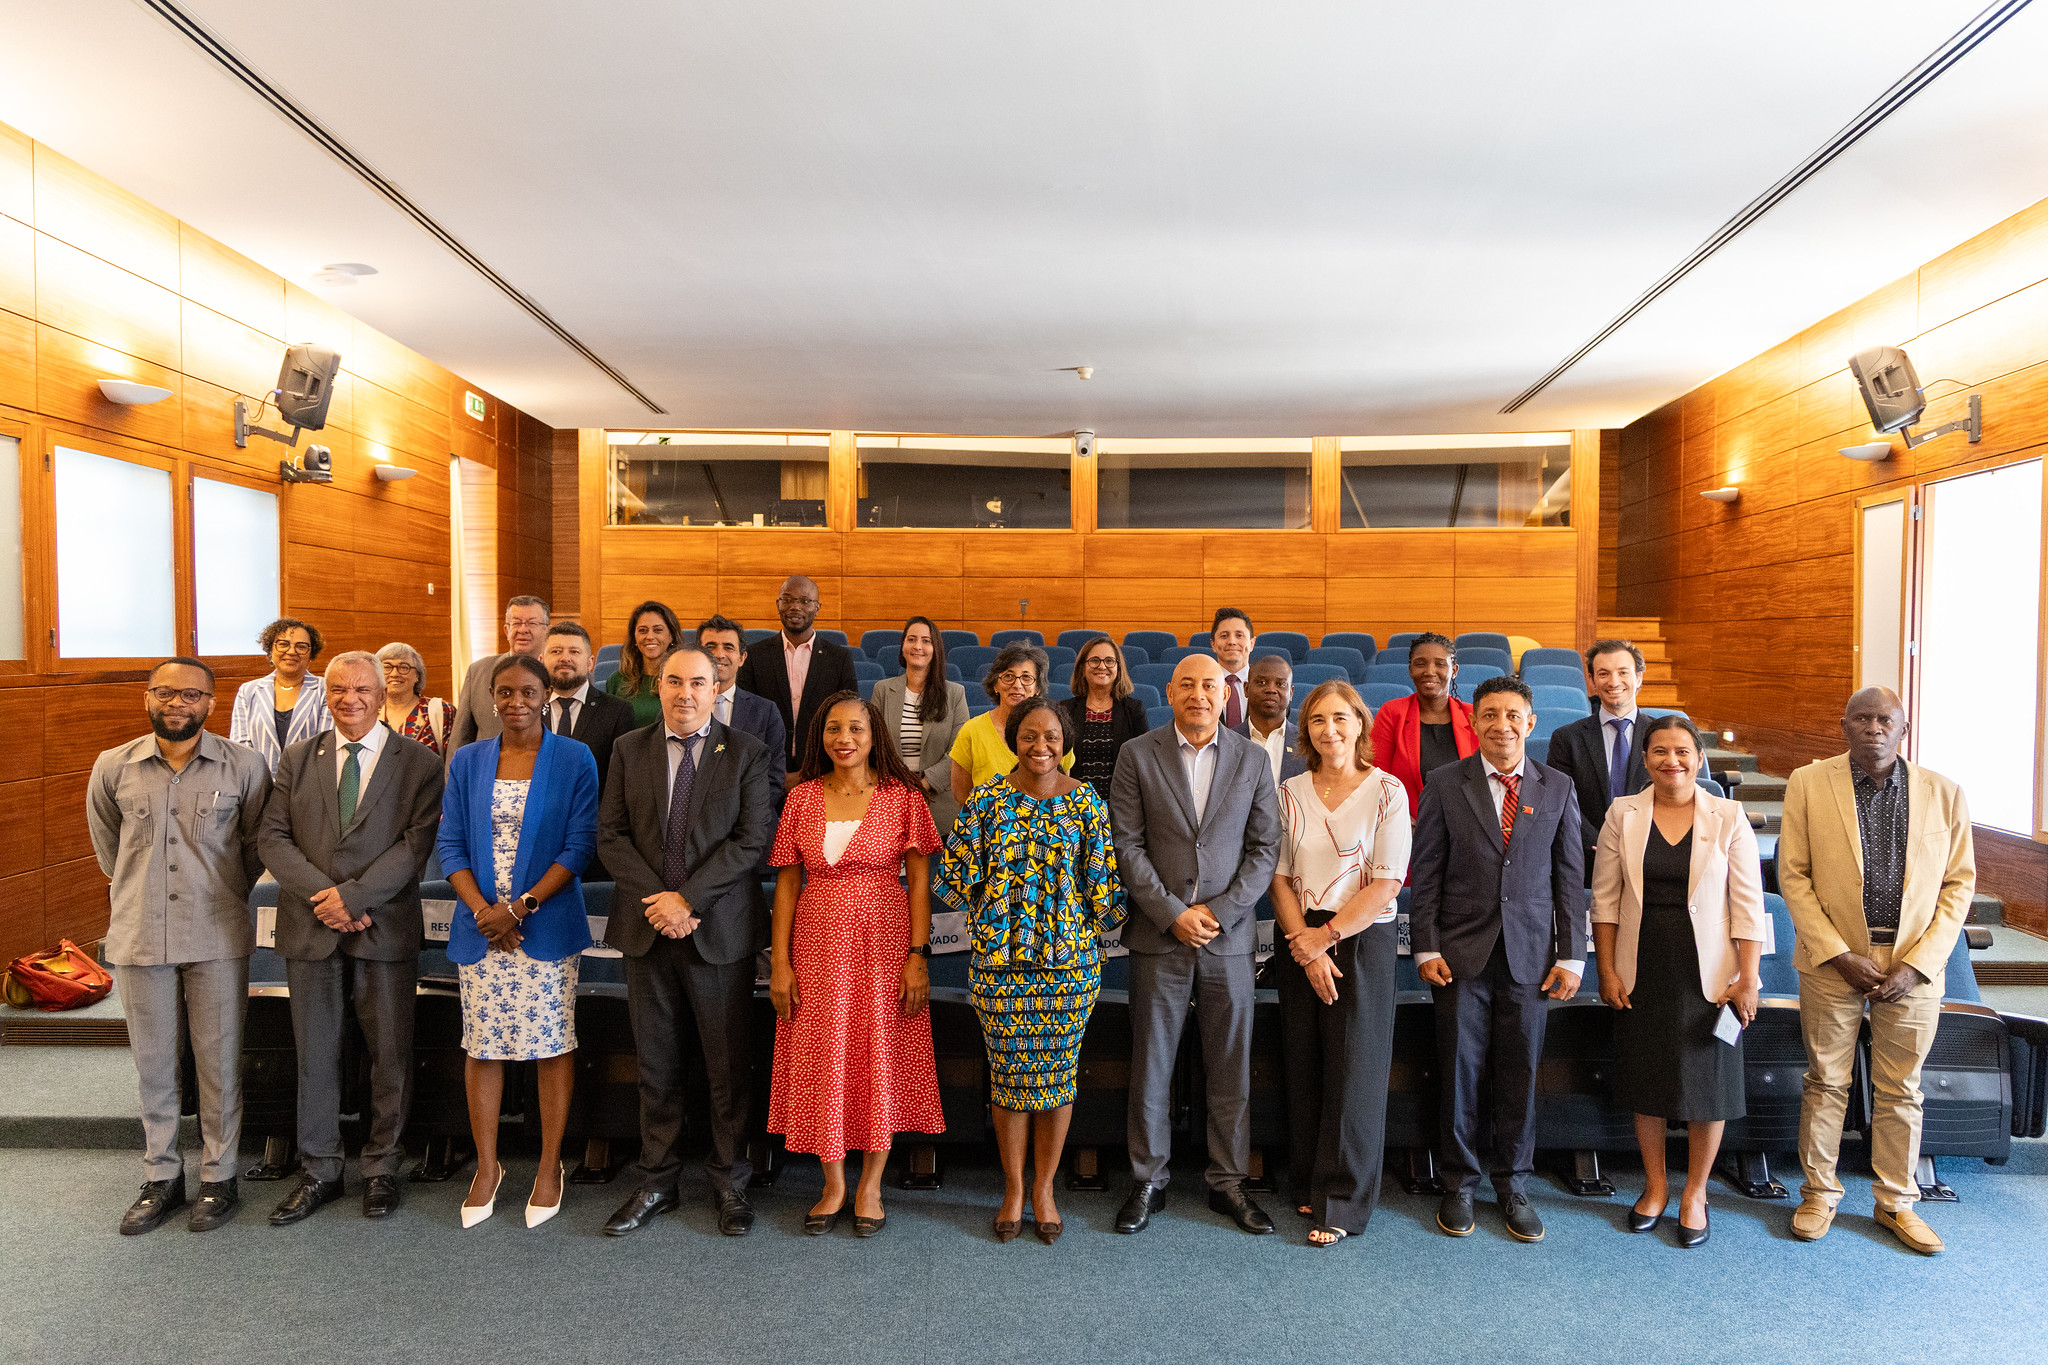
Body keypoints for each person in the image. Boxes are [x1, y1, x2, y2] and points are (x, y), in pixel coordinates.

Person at [1779, 686, 1975, 1256]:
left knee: (1902, 1088)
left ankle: (1896, 1201)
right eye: (1861, 719)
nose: (1873, 729)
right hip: (1833, 962)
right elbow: (1793, 876)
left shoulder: (1944, 793)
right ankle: (1819, 1192)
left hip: (1913, 965)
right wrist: (1837, 953)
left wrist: (1919, 965)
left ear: (1903, 727)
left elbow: (1958, 885)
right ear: (1843, 727)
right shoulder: (1809, 784)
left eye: (1884, 719)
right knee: (1826, 1081)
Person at [596, 645, 779, 1238]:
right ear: (660, 682)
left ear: (715, 684)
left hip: (717, 932)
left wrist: (688, 901)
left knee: (726, 1067)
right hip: (648, 930)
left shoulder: (746, 752)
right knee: (657, 1065)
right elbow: (611, 836)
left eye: (697, 682)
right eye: (674, 681)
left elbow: (752, 842)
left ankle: (730, 1182)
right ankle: (657, 1181)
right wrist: (662, 902)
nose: (685, 693)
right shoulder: (628, 749)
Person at [256, 652, 446, 1225]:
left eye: (362, 688)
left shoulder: (418, 762)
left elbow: (416, 846)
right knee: (315, 1054)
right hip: (311, 926)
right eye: (338, 689)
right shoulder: (297, 758)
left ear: (381, 691)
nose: (351, 699)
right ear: (326, 694)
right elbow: (272, 836)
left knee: (389, 1054)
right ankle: (319, 1169)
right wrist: (327, 898)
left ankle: (381, 1166)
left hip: (383, 927)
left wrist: (356, 898)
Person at [87, 659, 271, 1234]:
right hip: (140, 934)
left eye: (190, 694)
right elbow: (109, 851)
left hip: (216, 932)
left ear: (210, 703)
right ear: (147, 698)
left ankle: (219, 1178)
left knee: (218, 1062)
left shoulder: (244, 766)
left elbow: (254, 848)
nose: (176, 703)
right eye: (165, 692)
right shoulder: (113, 766)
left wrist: (211, 890)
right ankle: (161, 1176)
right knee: (154, 1064)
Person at [937, 697, 1125, 1244]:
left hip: (1068, 966)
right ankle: (1013, 1189)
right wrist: (992, 914)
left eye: (1051, 737)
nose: (1040, 746)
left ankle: (1044, 1189)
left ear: (1065, 743)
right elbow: (955, 875)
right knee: (1009, 1079)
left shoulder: (1085, 802)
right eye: (1028, 736)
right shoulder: (988, 800)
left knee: (1059, 1078)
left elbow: (1103, 885)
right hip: (1000, 964)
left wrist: (1084, 928)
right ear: (1012, 740)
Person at [1409, 675, 1586, 1243]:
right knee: (1458, 1070)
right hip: (1460, 954)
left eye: (1513, 715)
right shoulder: (1443, 782)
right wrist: (1426, 944)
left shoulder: (1557, 785)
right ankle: (1458, 1183)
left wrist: (1572, 955)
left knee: (1521, 1073)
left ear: (1530, 724)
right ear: (1473, 722)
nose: (1501, 725)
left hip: (1532, 958)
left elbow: (1569, 878)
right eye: (1489, 714)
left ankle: (1514, 1185)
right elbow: (1427, 871)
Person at [1110, 654, 1282, 1236]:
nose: (1199, 694)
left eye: (1209, 684)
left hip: (1228, 941)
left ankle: (1228, 1183)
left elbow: (1264, 851)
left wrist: (1220, 911)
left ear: (1223, 692)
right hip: (1160, 936)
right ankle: (1147, 1181)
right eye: (1187, 684)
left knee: (1229, 1067)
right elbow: (1127, 846)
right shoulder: (1137, 755)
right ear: (1170, 691)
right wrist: (1172, 913)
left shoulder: (1253, 760)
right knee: (1152, 1065)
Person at [767, 693, 944, 1237]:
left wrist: (918, 957)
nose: (844, 739)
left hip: (884, 943)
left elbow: (918, 882)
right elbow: (788, 882)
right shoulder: (800, 799)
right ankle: (833, 1181)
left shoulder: (903, 797)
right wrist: (780, 962)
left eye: (856, 730)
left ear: (875, 737)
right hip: (816, 945)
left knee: (878, 1053)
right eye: (833, 729)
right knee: (824, 1054)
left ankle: (871, 1183)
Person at [435, 653, 599, 1230]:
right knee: (481, 1046)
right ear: (490, 697)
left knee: (553, 1043)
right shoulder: (470, 760)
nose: (515, 703)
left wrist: (521, 907)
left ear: (545, 695)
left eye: (528, 692)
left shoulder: (574, 757)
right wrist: (485, 912)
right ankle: (487, 1167)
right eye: (504, 693)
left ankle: (550, 1166)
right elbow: (450, 843)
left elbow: (579, 847)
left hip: (545, 923)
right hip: (482, 930)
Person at [1591, 714, 1765, 1249]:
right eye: (1661, 751)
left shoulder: (1729, 815)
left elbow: (1748, 903)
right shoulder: (1624, 813)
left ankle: (1695, 1192)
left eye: (1683, 751)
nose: (1672, 761)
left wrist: (1749, 976)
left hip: (1710, 971)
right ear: (1644, 760)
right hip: (1641, 962)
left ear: (1699, 757)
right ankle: (1656, 1186)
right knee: (1649, 1078)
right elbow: (1606, 897)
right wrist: (1606, 967)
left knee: (1707, 1083)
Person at [1268, 680, 1409, 1246]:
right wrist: (1303, 941)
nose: (1330, 729)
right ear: (1307, 730)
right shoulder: (1289, 790)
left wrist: (1325, 938)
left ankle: (1345, 1201)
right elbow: (1277, 876)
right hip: (1298, 934)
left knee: (1355, 1071)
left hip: (1358, 937)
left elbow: (1388, 881)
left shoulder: (1387, 790)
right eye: (1319, 720)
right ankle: (1308, 1179)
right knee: (1303, 1064)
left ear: (1359, 725)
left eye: (1341, 719)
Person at [1547, 639, 1651, 883]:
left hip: (1650, 854)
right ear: (1592, 681)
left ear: (1638, 678)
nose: (1613, 682)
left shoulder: (1662, 735)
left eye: (1623, 672)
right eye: (1603, 673)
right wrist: (1598, 842)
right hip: (1587, 857)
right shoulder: (1567, 738)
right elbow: (1560, 799)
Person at [735, 574, 859, 777]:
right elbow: (747, 717)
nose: (795, 607)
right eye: (788, 599)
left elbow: (848, 716)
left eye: (804, 601)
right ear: (778, 604)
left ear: (817, 607)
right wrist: (775, 772)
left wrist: (809, 771)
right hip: (763, 772)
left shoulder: (839, 658)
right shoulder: (754, 656)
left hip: (822, 771)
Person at [872, 615, 971, 832]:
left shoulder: (954, 694)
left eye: (926, 641)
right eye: (911, 639)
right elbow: (874, 745)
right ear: (903, 646)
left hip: (938, 804)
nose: (918, 646)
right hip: (889, 800)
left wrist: (922, 785)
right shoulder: (883, 690)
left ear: (935, 649)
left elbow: (959, 752)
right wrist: (899, 787)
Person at [949, 641, 1073, 807]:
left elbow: (1064, 789)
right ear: (995, 685)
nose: (1017, 684)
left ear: (1037, 688)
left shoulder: (1057, 732)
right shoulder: (972, 731)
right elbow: (961, 795)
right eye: (1008, 676)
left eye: (1026, 677)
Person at [1369, 632, 1476, 819]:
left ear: (1454, 670)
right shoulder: (1392, 713)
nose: (1429, 671)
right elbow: (1377, 779)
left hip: (1466, 826)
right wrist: (1402, 822)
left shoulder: (1473, 716)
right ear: (1410, 670)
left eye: (1440, 664)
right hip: (1408, 826)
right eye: (1420, 663)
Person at [449, 595, 551, 756]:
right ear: (506, 630)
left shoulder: (557, 675)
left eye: (532, 623)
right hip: (486, 771)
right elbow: (460, 739)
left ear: (547, 630)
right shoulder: (479, 672)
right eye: (516, 623)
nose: (523, 629)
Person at [229, 617, 333, 773]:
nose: (291, 651)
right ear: (270, 650)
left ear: (311, 654)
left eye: (301, 646)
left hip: (307, 785)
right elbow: (240, 749)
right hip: (258, 786)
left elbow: (325, 746)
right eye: (283, 644)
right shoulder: (248, 691)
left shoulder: (326, 689)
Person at [1060, 633, 1149, 808]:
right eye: (1094, 660)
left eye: (1109, 661)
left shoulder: (1134, 710)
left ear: (1118, 669)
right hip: (1075, 806)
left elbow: (1144, 761)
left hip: (1122, 806)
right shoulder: (1065, 710)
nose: (1102, 666)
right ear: (1082, 669)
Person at [605, 599, 684, 728]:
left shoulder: (683, 681)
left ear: (671, 637)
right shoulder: (617, 682)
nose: (650, 636)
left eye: (658, 630)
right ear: (634, 638)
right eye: (642, 630)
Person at [1238, 652, 1307, 790]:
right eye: (1261, 682)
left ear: (1291, 693)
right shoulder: (1227, 741)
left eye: (1280, 684)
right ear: (1246, 689)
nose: (1271, 689)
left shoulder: (1307, 743)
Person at [376, 641, 453, 756]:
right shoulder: (368, 711)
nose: (394, 674)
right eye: (387, 667)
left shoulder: (442, 711)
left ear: (417, 675)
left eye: (404, 667)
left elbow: (454, 761)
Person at [1210, 607, 1255, 731]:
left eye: (1239, 635)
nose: (1232, 641)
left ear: (1252, 643)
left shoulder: (1263, 685)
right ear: (1213, 644)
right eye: (1224, 636)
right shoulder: (1201, 685)